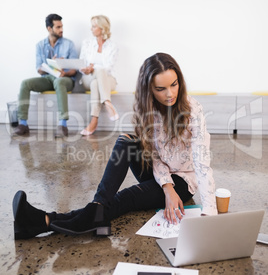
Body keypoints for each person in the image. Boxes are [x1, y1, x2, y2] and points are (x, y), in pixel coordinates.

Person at [12, 52, 217, 240]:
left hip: (182, 181)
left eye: (174, 84)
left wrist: (209, 213)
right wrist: (166, 186)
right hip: (161, 175)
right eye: (161, 89)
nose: (170, 94)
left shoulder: (193, 110)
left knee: (124, 198)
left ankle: (44, 221)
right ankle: (94, 211)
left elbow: (202, 163)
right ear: (149, 89)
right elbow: (154, 155)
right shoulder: (149, 110)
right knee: (126, 141)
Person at [13, 14, 78, 138]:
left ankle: (62, 124)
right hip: (48, 78)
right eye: (58, 27)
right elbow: (39, 69)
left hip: (65, 79)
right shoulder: (40, 45)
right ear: (49, 28)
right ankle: (23, 123)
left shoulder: (69, 44)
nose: (61, 30)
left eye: (62, 26)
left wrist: (63, 70)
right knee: (25, 83)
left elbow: (74, 70)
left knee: (59, 82)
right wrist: (50, 66)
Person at [79, 15, 118, 136]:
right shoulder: (87, 43)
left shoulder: (113, 46)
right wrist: (87, 69)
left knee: (98, 80)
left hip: (107, 79)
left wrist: (93, 66)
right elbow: (81, 64)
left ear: (102, 28)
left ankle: (94, 121)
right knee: (96, 77)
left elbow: (108, 68)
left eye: (94, 26)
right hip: (88, 78)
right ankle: (107, 103)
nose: (91, 29)